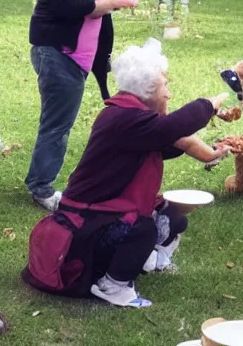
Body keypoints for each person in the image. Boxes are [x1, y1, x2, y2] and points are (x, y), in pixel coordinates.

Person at [22, 39, 230, 307]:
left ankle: (145, 260)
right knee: (141, 228)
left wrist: (212, 150)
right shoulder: (126, 119)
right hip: (86, 216)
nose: (169, 93)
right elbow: (174, 127)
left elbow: (165, 144)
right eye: (165, 85)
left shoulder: (132, 117)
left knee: (173, 216)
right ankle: (113, 287)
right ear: (146, 89)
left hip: (101, 210)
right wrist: (209, 105)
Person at [26, 0, 139, 211]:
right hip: (60, 52)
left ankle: (41, 181)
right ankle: (41, 186)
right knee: (57, 124)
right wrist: (113, 2)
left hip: (72, 54)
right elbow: (67, 5)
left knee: (59, 121)